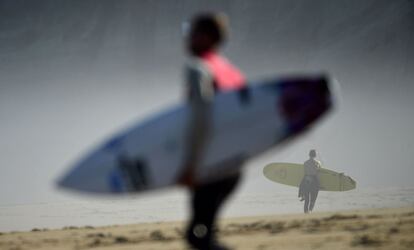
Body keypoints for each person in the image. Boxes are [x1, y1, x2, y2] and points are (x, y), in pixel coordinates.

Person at [178, 12, 246, 250]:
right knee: (204, 234)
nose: (186, 40)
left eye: (191, 34)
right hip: (233, 167)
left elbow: (201, 119)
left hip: (212, 165)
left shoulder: (199, 69)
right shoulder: (229, 69)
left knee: (198, 236)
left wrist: (191, 165)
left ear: (206, 37)